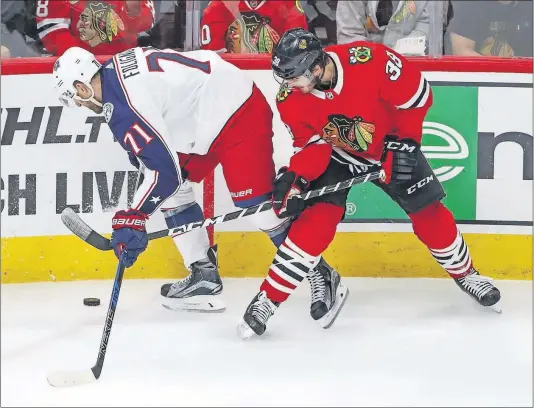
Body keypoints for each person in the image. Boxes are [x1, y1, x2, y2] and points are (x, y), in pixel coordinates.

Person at [238, 27, 502, 338]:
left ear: (317, 66)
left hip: (390, 147)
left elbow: (418, 96)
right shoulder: (290, 99)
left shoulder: (369, 61)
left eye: (294, 76)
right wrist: (297, 179)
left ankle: (467, 274)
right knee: (314, 222)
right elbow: (312, 145)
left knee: (429, 213)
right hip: (338, 154)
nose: (288, 84)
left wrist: (404, 143)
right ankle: (268, 298)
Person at [52, 45, 340, 313]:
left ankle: (319, 271)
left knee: (258, 206)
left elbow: (164, 171)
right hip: (203, 117)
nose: (80, 104)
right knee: (172, 192)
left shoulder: (123, 106)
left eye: (76, 98)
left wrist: (135, 217)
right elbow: (157, 149)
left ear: (82, 85)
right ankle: (203, 276)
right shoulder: (115, 74)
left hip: (239, 113)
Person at [36, 0, 155, 56]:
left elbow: (146, 22)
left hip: (125, 62)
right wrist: (80, 58)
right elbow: (52, 31)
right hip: (75, 67)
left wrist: (133, 10)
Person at [200, 0, 307, 54]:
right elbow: (214, 60)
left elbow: (299, 50)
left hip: (275, 76)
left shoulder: (287, 4)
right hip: (232, 78)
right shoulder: (219, 4)